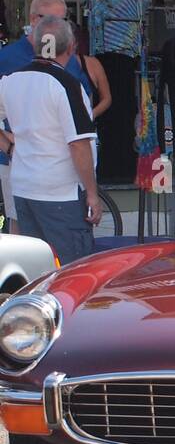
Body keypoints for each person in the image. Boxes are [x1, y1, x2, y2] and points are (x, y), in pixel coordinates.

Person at [0, 15, 103, 264]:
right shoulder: (67, 85)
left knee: (37, 271)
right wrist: (92, 193)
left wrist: (10, 146)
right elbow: (78, 144)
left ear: (35, 45)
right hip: (61, 193)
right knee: (72, 271)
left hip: (24, 188)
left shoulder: (10, 81)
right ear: (71, 47)